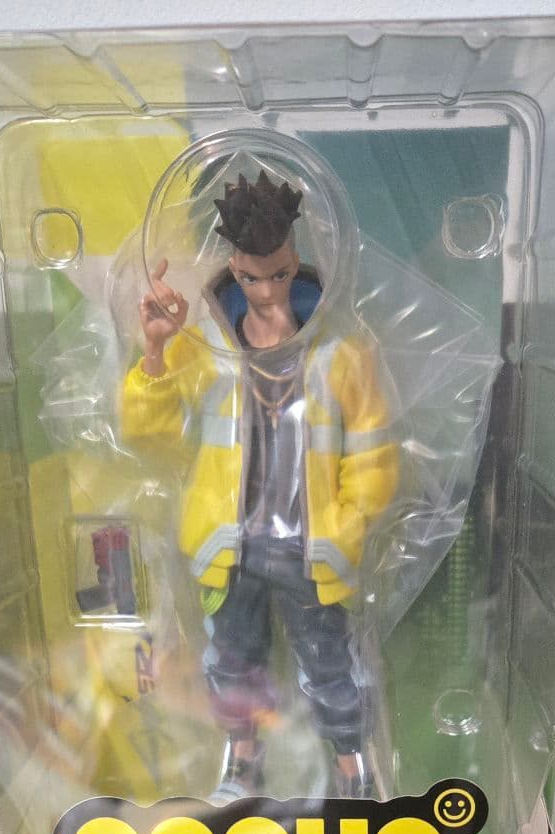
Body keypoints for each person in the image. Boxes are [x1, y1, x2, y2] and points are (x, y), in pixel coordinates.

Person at [119, 169, 398, 800]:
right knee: (232, 660)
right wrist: (156, 353)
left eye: (278, 275)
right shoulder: (203, 349)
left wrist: (351, 520)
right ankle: (242, 764)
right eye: (251, 278)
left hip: (311, 547)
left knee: (330, 663)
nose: (267, 291)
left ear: (295, 264)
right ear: (233, 271)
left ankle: (354, 769)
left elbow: (375, 450)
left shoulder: (342, 353)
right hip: (232, 545)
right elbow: (150, 435)